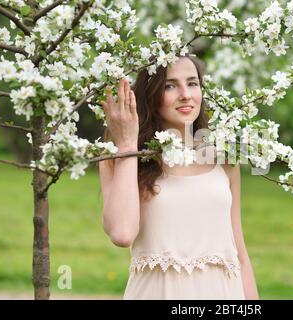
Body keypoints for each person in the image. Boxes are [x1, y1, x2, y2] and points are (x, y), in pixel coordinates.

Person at [98, 54, 259, 300]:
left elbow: (239, 254)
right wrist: (128, 145)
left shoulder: (224, 159)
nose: (185, 94)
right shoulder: (124, 156)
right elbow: (122, 233)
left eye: (192, 83)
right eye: (170, 85)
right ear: (151, 94)